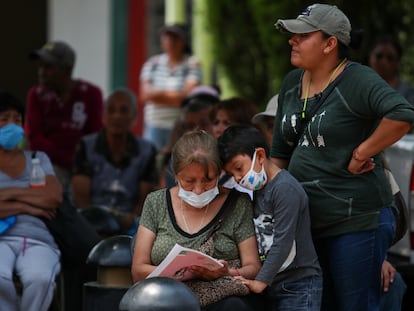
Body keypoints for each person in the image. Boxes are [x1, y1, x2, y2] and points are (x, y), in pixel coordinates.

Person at [271, 3, 414, 310]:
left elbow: (402, 114)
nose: (291, 41)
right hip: (306, 222)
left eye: (301, 35)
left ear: (329, 44)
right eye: (292, 35)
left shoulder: (357, 79)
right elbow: (280, 155)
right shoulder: (291, 84)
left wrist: (362, 152)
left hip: (355, 219)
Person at [131, 130, 262, 311]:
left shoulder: (238, 203)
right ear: (175, 175)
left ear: (220, 173)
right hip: (167, 301)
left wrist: (227, 273)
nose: (199, 190)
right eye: (189, 181)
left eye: (208, 180)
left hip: (223, 300)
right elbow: (138, 270)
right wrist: (181, 274)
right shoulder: (156, 202)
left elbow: (253, 266)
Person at [218, 125, 322, 311]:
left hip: (298, 285)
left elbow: (283, 241)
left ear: (259, 155)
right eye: (233, 174)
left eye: (239, 168)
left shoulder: (284, 189)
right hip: (275, 282)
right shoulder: (261, 188)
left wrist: (260, 281)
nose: (239, 178)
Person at [0, 90, 62, 311]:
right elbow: (42, 199)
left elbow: (53, 197)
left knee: (41, 279)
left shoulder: (37, 159)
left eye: (17, 120)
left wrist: (8, 195)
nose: (12, 125)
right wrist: (27, 204)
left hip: (37, 240)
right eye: (4, 119)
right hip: (1, 239)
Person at [71, 88, 158, 235]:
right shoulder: (86, 146)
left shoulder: (147, 151)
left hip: (131, 223)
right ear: (103, 115)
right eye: (111, 110)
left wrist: (130, 219)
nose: (117, 116)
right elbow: (81, 197)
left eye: (124, 111)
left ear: (134, 117)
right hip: (92, 219)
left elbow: (145, 200)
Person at [26, 40, 104, 193]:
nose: (41, 72)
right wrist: (68, 159)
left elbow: (95, 137)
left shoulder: (91, 94)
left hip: (86, 168)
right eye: (40, 66)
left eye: (48, 67)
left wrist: (79, 164)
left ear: (67, 69)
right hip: (48, 165)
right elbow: (35, 139)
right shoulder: (36, 95)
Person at [139, 23, 202, 151]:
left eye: (175, 38)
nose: (171, 42)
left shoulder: (192, 64)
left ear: (183, 41)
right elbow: (145, 95)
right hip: (154, 125)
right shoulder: (152, 63)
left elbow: (186, 98)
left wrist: (157, 95)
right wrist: (176, 95)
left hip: (180, 127)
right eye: (167, 37)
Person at [160, 85, 220, 188]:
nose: (196, 130)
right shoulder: (172, 163)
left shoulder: (230, 162)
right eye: (190, 126)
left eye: (204, 124)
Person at [368, 35, 414, 105]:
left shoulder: (408, 93)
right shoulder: (357, 87)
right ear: (370, 57)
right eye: (379, 56)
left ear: (398, 63)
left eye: (390, 58)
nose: (384, 62)